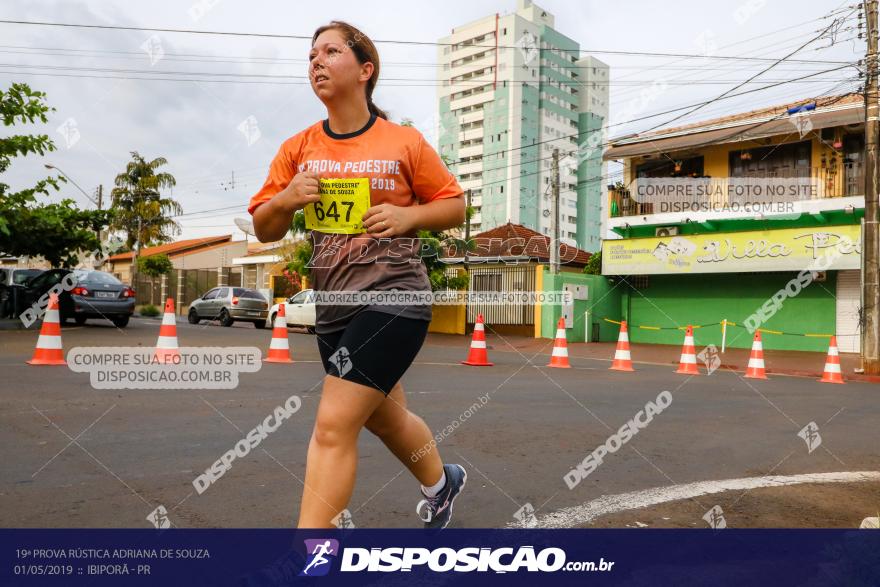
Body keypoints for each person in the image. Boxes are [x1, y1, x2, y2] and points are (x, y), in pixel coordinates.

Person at [249, 20, 467, 529]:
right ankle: (443, 483)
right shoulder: (297, 148)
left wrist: (408, 216)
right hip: (334, 308)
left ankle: (313, 549)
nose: (316, 62)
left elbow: (454, 204)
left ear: (365, 70)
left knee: (331, 426)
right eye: (311, 55)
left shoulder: (404, 142)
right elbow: (263, 227)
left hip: (395, 298)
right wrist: (287, 198)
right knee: (385, 419)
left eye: (329, 51)